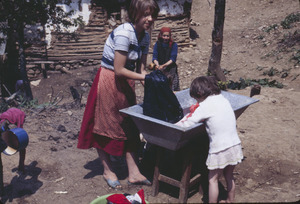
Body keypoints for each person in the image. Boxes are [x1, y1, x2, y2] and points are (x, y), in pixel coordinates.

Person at [77, 0, 160, 190]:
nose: (150, 19)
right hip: (109, 80)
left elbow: (140, 68)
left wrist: (154, 86)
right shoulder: (125, 33)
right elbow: (119, 69)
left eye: (152, 15)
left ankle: (134, 172)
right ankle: (107, 169)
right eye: (146, 14)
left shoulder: (144, 37)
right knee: (104, 124)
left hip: (127, 82)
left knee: (130, 124)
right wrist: (143, 79)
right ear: (135, 13)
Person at [175, 76, 244, 203]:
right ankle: (230, 200)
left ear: (200, 93)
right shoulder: (223, 99)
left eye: (196, 99)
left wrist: (174, 126)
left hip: (220, 148)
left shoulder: (204, 106)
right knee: (229, 176)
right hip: (234, 144)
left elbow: (189, 122)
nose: (197, 102)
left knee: (212, 179)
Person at [152, 27, 180, 91]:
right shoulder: (157, 44)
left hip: (170, 68)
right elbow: (155, 57)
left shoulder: (174, 45)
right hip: (159, 68)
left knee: (172, 88)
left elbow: (173, 58)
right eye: (164, 36)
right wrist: (158, 65)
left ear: (170, 36)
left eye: (167, 36)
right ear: (161, 35)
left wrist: (164, 65)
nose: (166, 38)